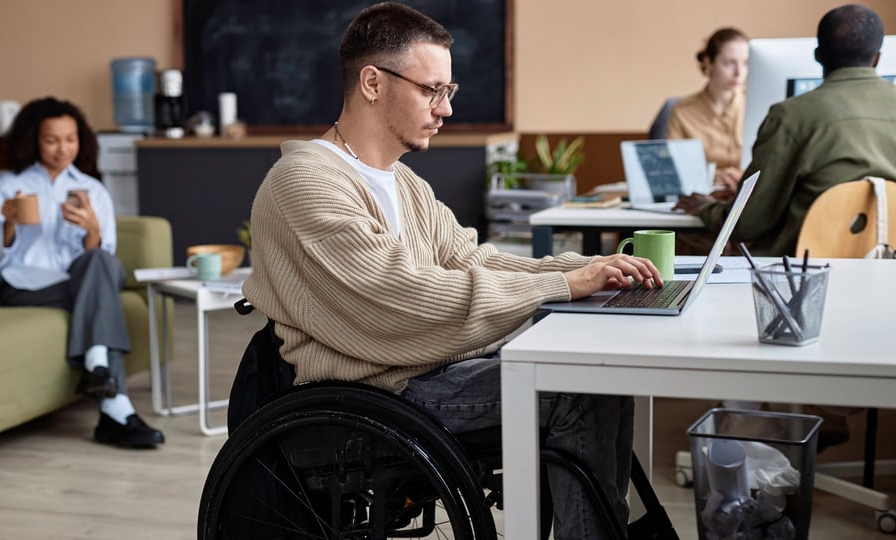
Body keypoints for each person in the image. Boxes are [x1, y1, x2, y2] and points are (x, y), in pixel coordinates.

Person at [240, 3, 663, 538]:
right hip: (378, 391)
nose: (445, 109)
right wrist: (559, 285)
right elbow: (397, 299)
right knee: (577, 384)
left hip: (422, 372)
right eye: (431, 90)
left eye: (449, 91)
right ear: (372, 82)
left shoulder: (403, 182)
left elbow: (473, 259)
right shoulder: (304, 181)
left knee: (586, 366)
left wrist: (587, 268)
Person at [0, 97, 164, 448]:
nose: (63, 149)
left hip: (75, 284)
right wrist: (9, 224)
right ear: (33, 140)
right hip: (25, 286)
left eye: (71, 138)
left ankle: (102, 375)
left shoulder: (92, 190)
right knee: (104, 295)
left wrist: (92, 231)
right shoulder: (10, 186)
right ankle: (114, 406)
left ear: (82, 140)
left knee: (100, 263)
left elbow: (101, 260)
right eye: (51, 140)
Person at [675, 4, 896, 258]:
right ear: (877, 58)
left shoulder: (789, 116)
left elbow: (747, 224)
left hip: (800, 272)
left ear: (818, 55)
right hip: (892, 268)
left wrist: (709, 208)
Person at [667, 27, 749, 194]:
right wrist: (711, 175)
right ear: (708, 62)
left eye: (746, 63)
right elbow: (672, 169)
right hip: (703, 199)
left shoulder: (762, 104)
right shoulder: (682, 112)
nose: (739, 72)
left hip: (752, 198)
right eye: (728, 63)